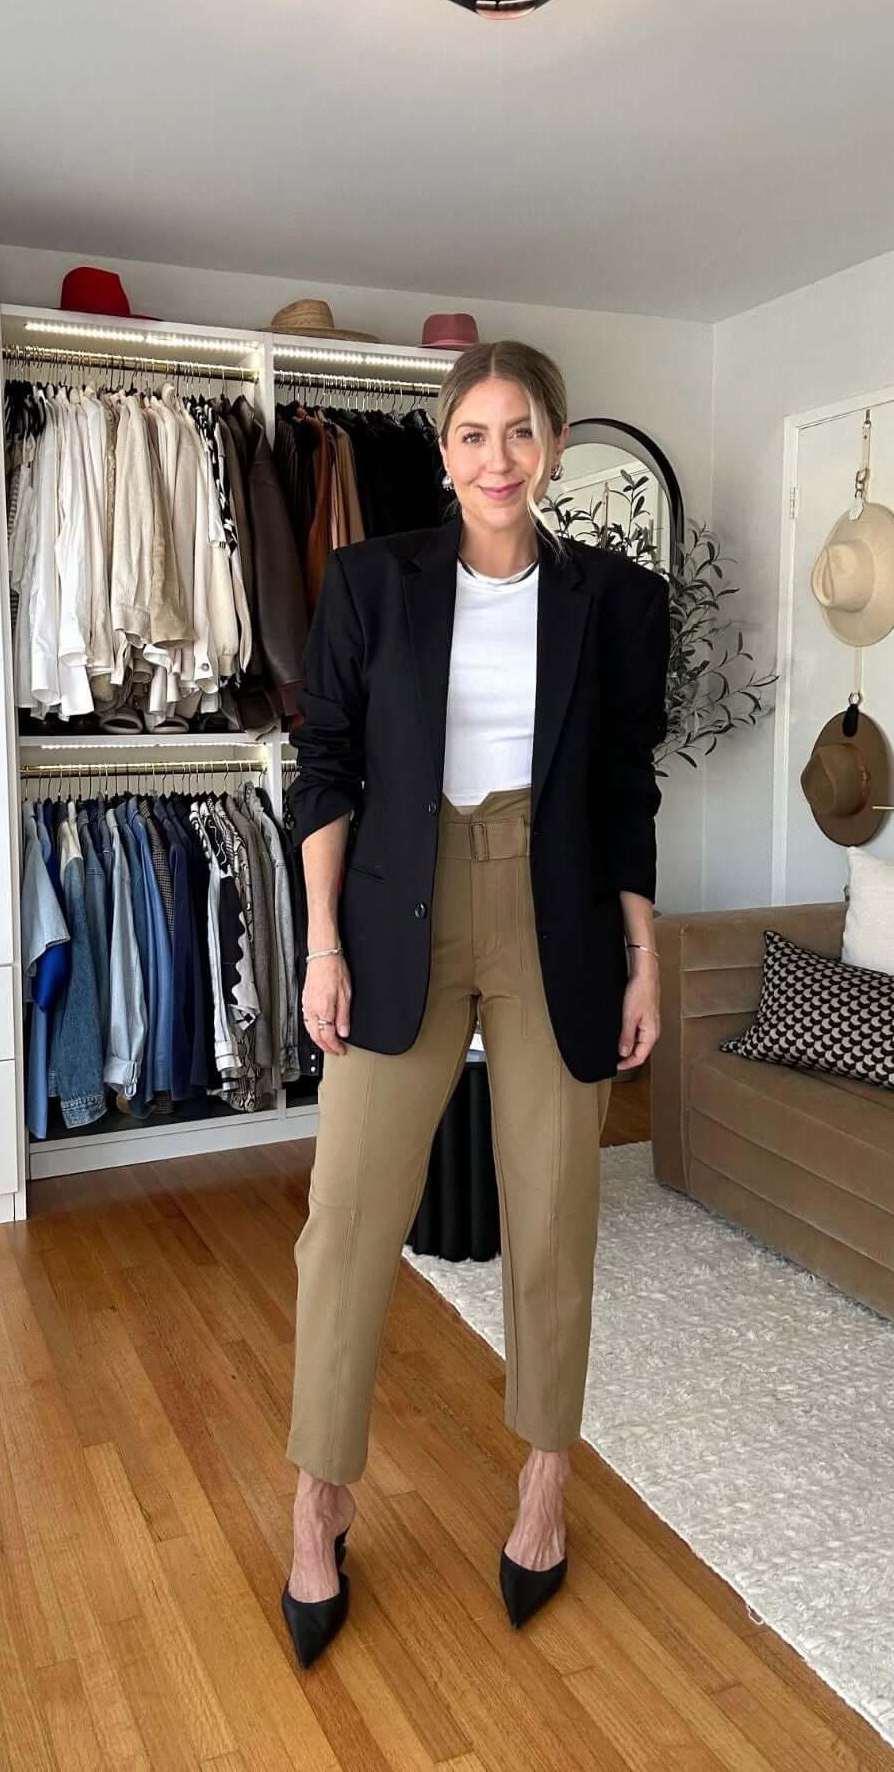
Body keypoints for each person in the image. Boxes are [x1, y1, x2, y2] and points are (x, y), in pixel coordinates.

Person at [279, 339, 671, 1667]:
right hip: (403, 902)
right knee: (345, 1222)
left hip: (555, 910)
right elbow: (323, 763)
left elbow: (624, 788)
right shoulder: (372, 583)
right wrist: (321, 943)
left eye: (519, 432)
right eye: (472, 434)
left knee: (556, 1215)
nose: (495, 458)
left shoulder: (616, 599)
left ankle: (545, 1488)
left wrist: (644, 950)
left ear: (554, 447)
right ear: (442, 452)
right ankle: (318, 1501)